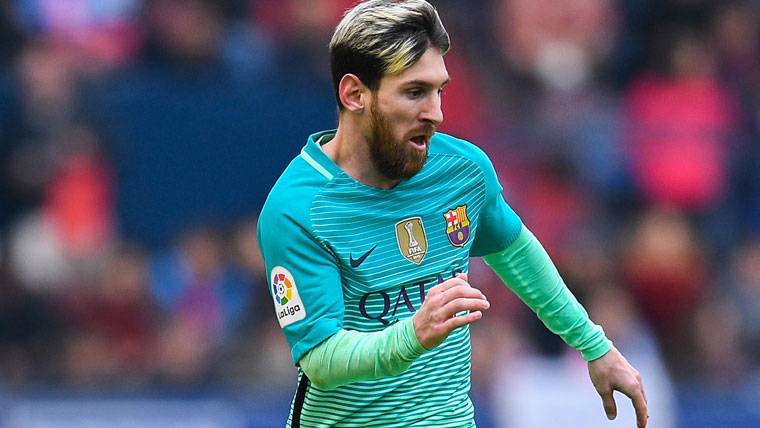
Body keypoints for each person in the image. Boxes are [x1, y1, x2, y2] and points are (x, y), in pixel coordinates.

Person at [257, 1, 648, 427]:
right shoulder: (298, 208)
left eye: (438, 91)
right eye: (414, 92)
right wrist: (412, 334)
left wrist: (594, 345)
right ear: (354, 94)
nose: (436, 114)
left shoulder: (461, 171)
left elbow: (515, 252)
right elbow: (321, 358)